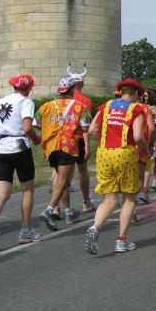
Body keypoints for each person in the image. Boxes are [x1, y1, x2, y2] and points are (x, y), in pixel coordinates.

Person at [85, 79, 149, 254]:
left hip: (104, 153)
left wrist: (105, 140)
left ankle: (95, 227)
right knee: (129, 198)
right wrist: (145, 149)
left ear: (121, 92)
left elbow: (92, 129)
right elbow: (138, 136)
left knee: (109, 199)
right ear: (136, 94)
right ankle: (121, 241)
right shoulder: (136, 109)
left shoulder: (106, 106)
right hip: (125, 153)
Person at [0, 74, 43, 251]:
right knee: (28, 189)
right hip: (19, 145)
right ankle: (25, 230)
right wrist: (37, 139)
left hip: (2, 148)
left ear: (14, 86)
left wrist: (3, 131)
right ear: (29, 88)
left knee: (3, 192)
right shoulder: (25, 102)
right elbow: (27, 127)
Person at [36, 77, 91, 230]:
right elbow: (85, 128)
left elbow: (36, 123)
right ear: (72, 89)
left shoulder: (46, 106)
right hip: (68, 146)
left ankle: (68, 211)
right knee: (63, 180)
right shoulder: (80, 106)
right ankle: (49, 209)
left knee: (61, 179)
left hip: (51, 147)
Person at [66, 64, 97, 213]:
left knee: (61, 173)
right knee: (83, 170)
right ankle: (86, 202)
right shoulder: (86, 101)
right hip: (78, 138)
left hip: (64, 139)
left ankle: (58, 208)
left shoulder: (62, 100)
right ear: (82, 84)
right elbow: (86, 126)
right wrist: (87, 145)